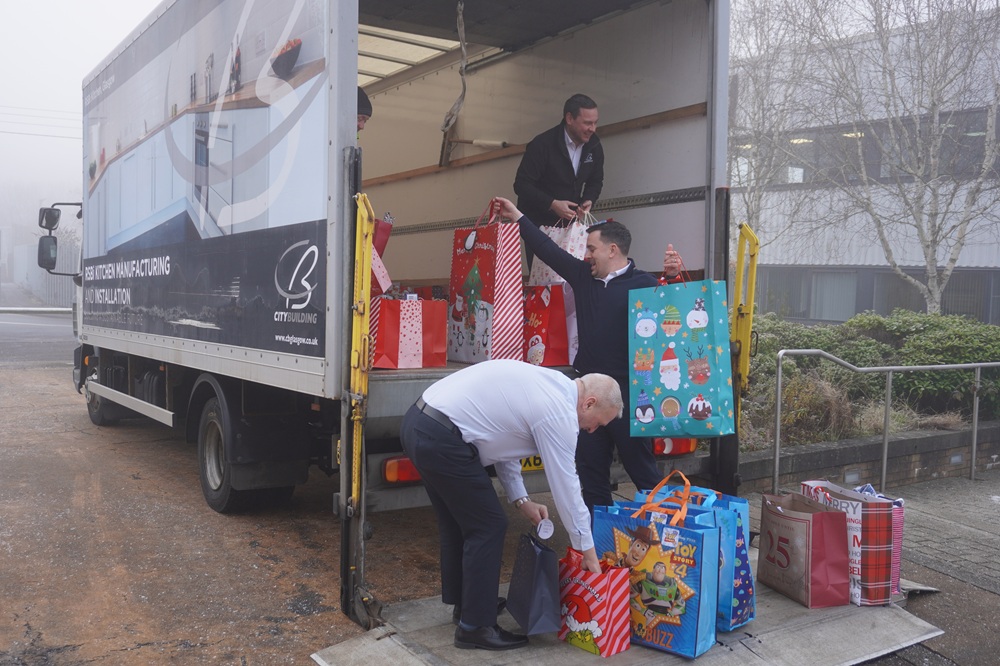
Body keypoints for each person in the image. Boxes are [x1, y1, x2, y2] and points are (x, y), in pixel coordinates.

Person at [400, 360, 622, 651]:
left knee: (460, 521)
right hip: (442, 436)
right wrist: (587, 550)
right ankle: (476, 627)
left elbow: (503, 443)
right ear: (589, 403)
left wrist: (522, 501)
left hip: (419, 422)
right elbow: (567, 488)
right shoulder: (559, 414)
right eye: (598, 423)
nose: (592, 431)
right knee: (488, 525)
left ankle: (468, 606)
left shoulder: (549, 385)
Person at [496, 197, 683, 513]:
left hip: (630, 397)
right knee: (591, 474)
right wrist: (518, 216)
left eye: (591, 249)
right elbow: (548, 250)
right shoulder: (584, 276)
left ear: (613, 250)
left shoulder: (646, 285)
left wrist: (675, 278)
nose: (586, 255)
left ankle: (665, 533)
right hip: (588, 397)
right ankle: (600, 542)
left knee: (644, 472)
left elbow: (675, 326)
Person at [513, 93, 604, 230]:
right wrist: (552, 204)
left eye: (595, 122)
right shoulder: (542, 144)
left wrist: (588, 199)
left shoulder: (594, 145)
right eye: (587, 123)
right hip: (537, 224)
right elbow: (521, 185)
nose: (593, 129)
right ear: (569, 118)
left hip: (570, 225)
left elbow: (595, 181)